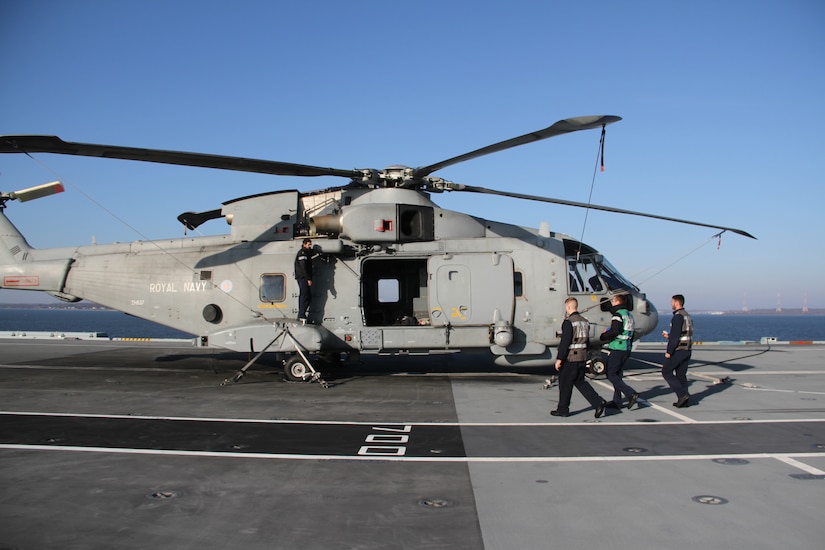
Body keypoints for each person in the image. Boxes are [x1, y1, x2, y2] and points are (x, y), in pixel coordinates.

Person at [551, 297, 608, 418]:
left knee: (565, 384)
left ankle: (563, 409)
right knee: (580, 382)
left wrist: (559, 358)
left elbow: (565, 342)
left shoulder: (569, 322)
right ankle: (598, 402)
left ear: (568, 307)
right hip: (582, 357)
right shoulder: (584, 321)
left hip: (570, 358)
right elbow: (587, 341)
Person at [600, 294, 639, 410]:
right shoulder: (629, 315)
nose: (612, 303)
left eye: (613, 301)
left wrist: (603, 336)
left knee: (611, 374)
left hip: (617, 347)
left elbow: (615, 331)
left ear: (617, 302)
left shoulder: (617, 315)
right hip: (626, 348)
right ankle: (617, 401)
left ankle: (630, 393)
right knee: (618, 375)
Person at [662, 294, 693, 407]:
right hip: (687, 349)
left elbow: (675, 337)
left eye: (672, 302)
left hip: (679, 350)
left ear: (676, 302)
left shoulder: (678, 316)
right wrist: (669, 336)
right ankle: (684, 401)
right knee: (681, 375)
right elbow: (682, 334)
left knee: (666, 372)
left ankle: (682, 394)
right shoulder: (687, 316)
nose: (671, 304)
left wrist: (669, 351)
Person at [294, 238, 319, 322]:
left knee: (308, 296)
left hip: (304, 277)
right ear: (304, 244)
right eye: (308, 245)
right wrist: (308, 278)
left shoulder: (306, 252)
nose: (309, 246)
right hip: (302, 277)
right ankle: (301, 314)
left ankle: (302, 313)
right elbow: (303, 267)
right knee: (304, 295)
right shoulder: (302, 253)